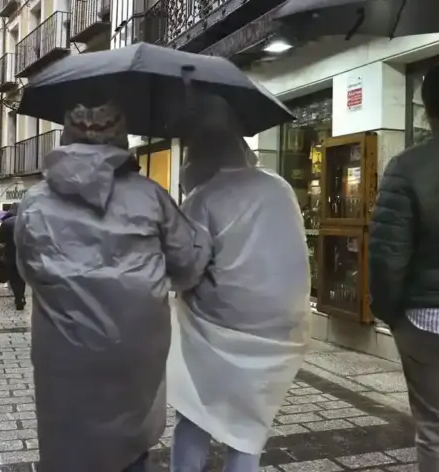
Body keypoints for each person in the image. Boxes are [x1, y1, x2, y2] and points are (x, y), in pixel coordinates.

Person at [13, 102, 211, 472]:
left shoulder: (35, 201)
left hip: (63, 351)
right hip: (134, 350)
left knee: (67, 442)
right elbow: (188, 265)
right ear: (122, 141)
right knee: (129, 445)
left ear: (66, 138)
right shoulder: (150, 196)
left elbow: (28, 270)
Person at [166, 96, 310, 472]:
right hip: (283, 329)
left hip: (218, 328)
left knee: (195, 413)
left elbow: (187, 270)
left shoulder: (203, 199)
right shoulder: (279, 187)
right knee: (249, 428)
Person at [368, 61, 439, 472]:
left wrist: (391, 313)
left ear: (430, 110)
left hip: (431, 323)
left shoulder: (408, 166)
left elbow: (386, 254)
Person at [0, 204, 25, 310]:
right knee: (22, 278)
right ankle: (21, 296)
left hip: (10, 255)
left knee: (13, 277)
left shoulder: (7, 223)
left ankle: (18, 297)